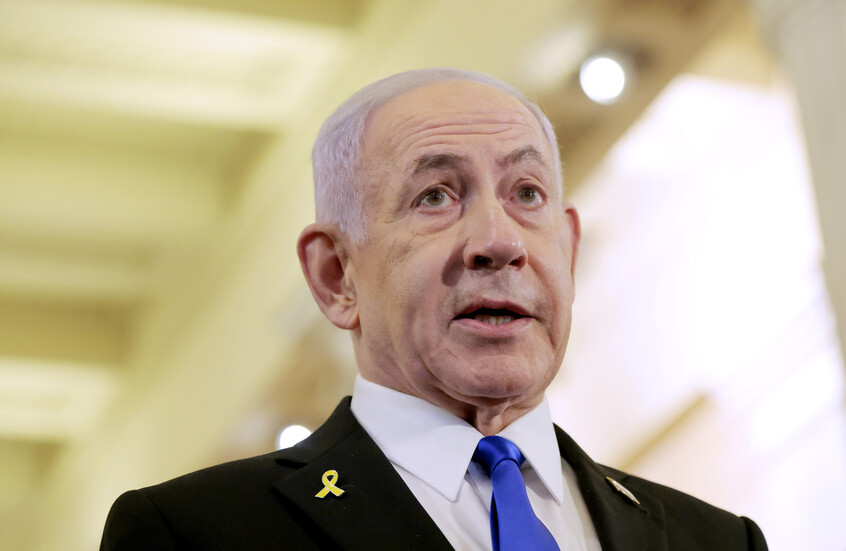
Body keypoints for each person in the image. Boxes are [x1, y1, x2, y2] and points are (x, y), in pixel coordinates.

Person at [100, 68, 768, 550]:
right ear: (336, 276)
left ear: (567, 249)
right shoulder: (195, 533)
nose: (499, 241)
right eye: (436, 196)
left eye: (527, 193)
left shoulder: (715, 540)